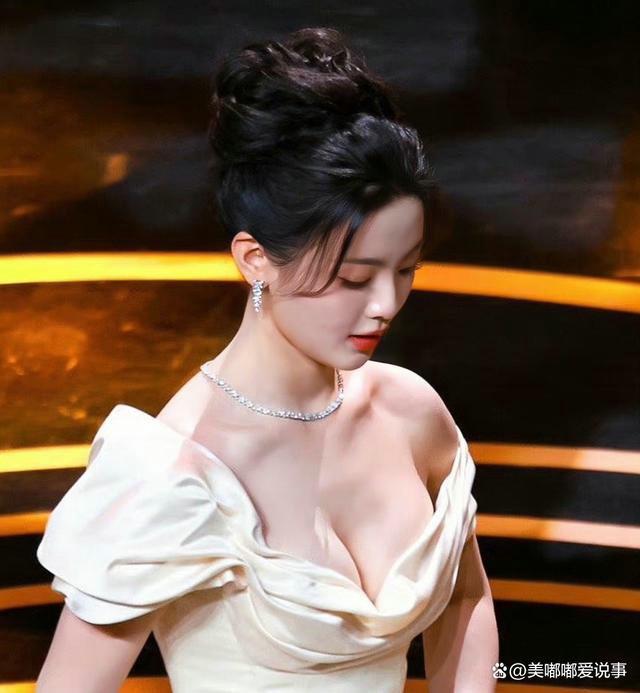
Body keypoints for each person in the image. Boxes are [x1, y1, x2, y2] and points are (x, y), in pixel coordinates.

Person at [35, 26, 498, 692]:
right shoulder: (173, 471)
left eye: (405, 270)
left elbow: (465, 601)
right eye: (353, 277)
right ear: (256, 260)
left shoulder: (409, 411)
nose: (385, 304)